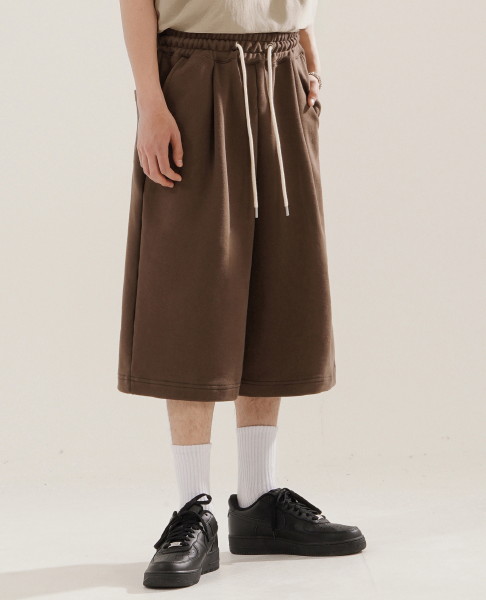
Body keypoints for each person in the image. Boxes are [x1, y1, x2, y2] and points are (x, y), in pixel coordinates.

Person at [117, 0, 366, 589]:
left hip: (282, 70)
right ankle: (192, 509)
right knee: (192, 290)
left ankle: (258, 501)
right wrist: (150, 101)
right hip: (193, 70)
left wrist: (309, 54)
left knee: (278, 280)